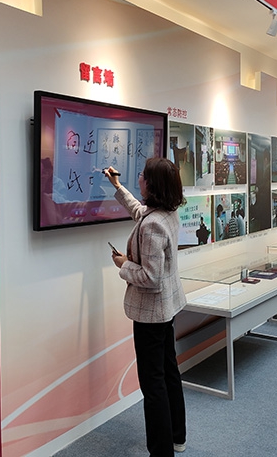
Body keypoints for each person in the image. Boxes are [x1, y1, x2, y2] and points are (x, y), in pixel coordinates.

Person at [104, 158, 187, 456]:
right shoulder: (166, 214)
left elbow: (150, 278)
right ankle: (177, 437)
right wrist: (117, 186)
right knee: (169, 372)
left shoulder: (153, 225)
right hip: (166, 308)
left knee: (153, 385)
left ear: (151, 185)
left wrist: (123, 265)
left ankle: (161, 451)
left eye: (142, 175)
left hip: (151, 313)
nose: (138, 177)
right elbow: (140, 212)